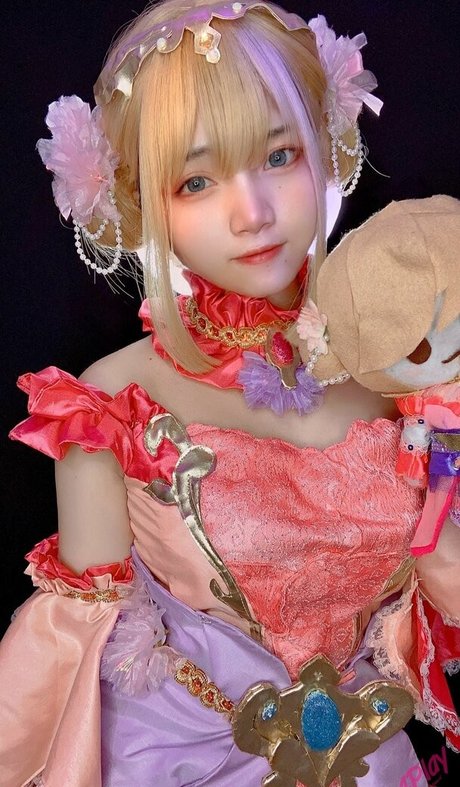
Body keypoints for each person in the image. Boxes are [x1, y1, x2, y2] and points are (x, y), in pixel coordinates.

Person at [1, 1, 458, 785]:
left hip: (370, 760)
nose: (251, 213)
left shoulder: (404, 371)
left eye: (279, 155)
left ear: (324, 146)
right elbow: (71, 661)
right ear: (142, 203)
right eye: (197, 180)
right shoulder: (108, 406)